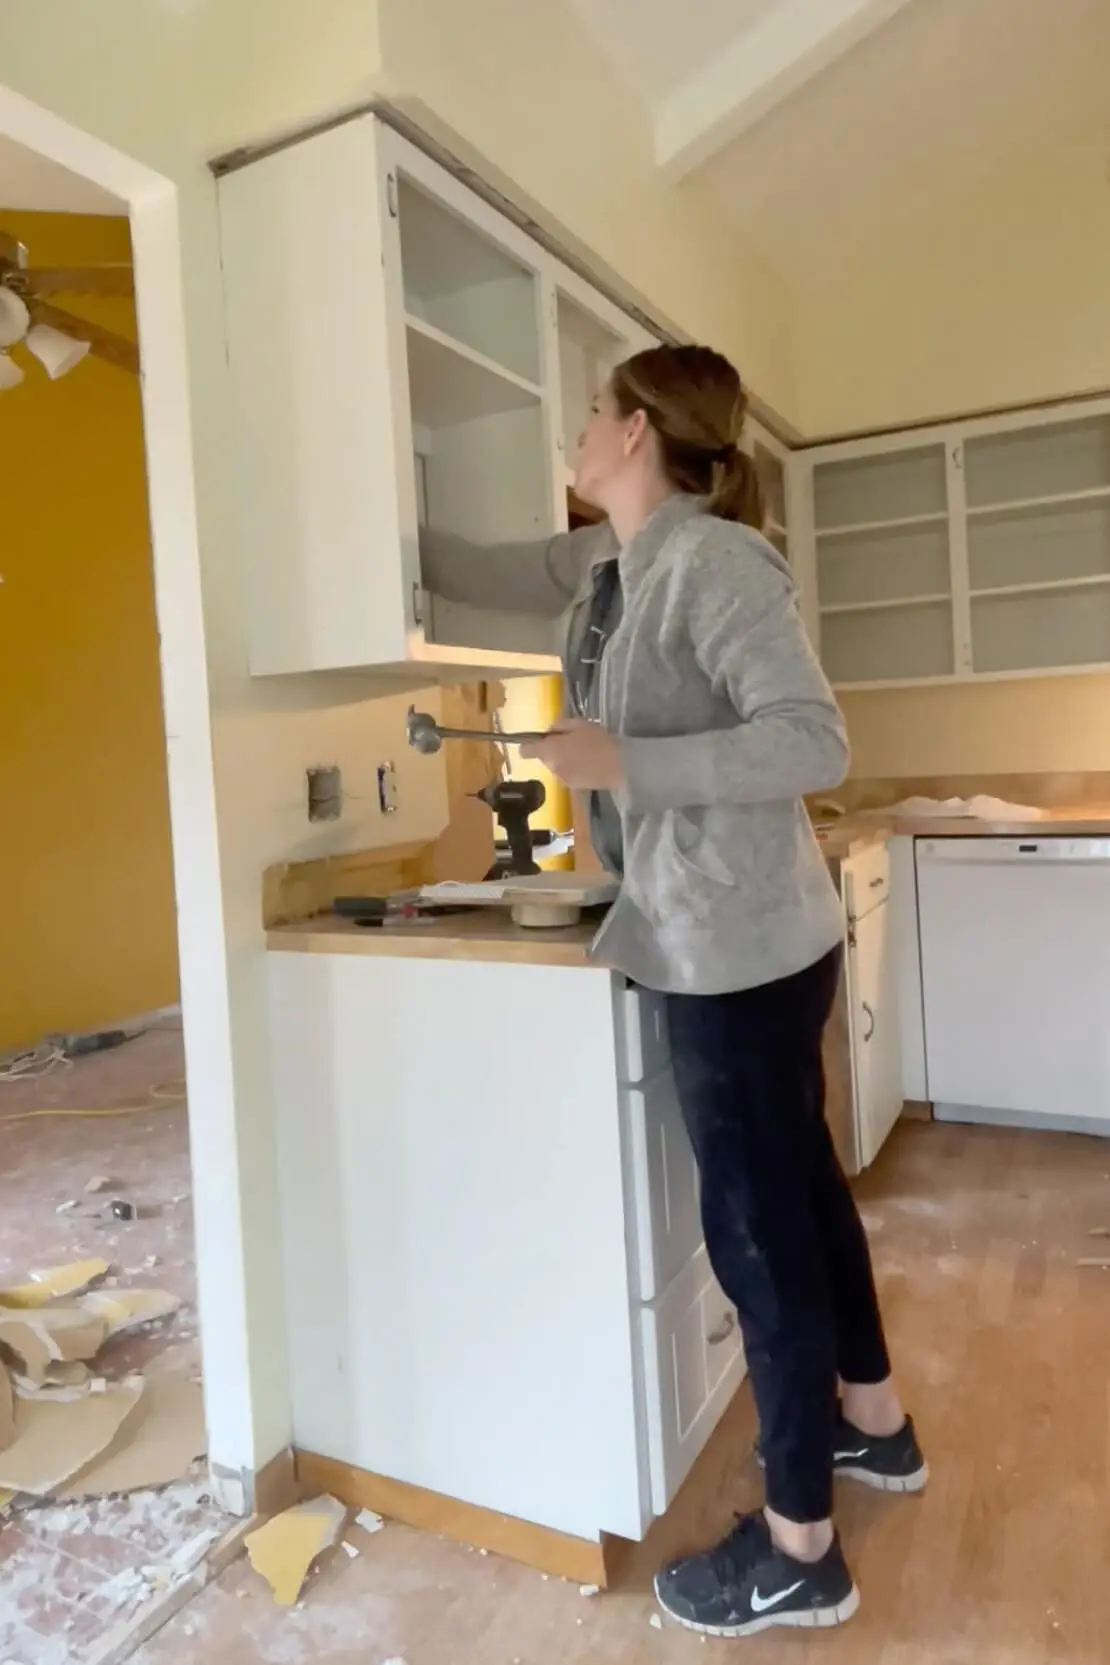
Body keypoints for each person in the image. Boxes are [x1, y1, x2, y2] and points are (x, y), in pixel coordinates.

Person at [420, 343, 926, 1639]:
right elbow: (484, 567)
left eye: (592, 413)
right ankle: (871, 1422)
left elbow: (810, 739)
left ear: (638, 432)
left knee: (759, 1233)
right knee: (802, 1195)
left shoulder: (715, 563)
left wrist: (625, 758)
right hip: (734, 939)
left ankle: (801, 1551)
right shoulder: (610, 566)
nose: (576, 434)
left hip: (737, 955)